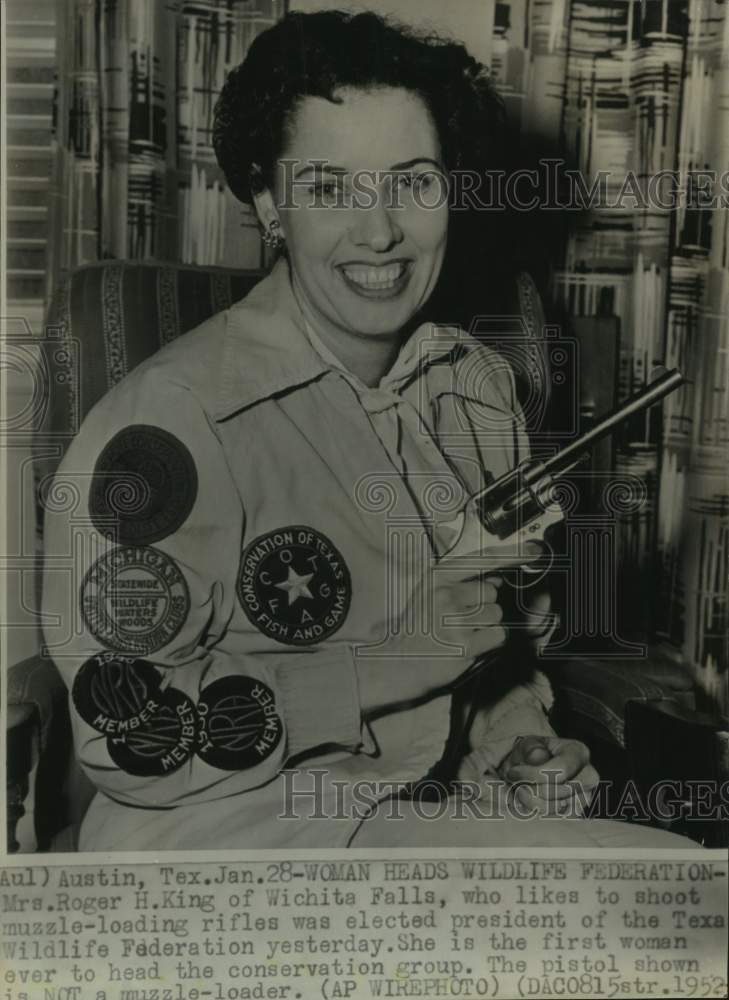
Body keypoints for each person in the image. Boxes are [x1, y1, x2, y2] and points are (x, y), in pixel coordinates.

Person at [42, 9, 691, 850]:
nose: (379, 229)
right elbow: (127, 735)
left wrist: (509, 740)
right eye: (328, 187)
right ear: (269, 201)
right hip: (217, 834)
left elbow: (493, 644)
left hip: (413, 815)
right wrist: (382, 668)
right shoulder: (164, 423)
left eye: (412, 180)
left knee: (672, 898)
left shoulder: (475, 390)